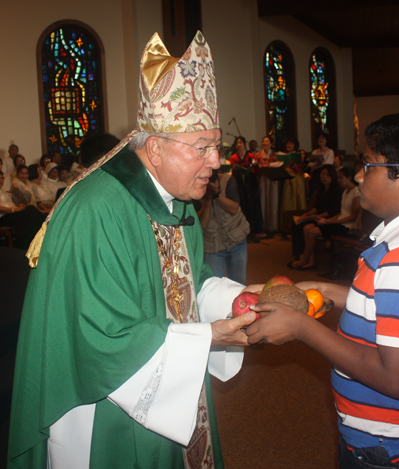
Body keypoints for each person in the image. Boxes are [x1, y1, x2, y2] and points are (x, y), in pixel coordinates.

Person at [8, 31, 260, 469]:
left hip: (173, 386)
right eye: (202, 148)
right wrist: (209, 336)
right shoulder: (95, 210)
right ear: (156, 148)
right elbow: (100, 337)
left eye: (215, 146)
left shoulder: (176, 199)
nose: (216, 161)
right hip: (105, 403)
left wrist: (234, 300)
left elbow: (187, 279)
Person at [247, 112, 399, 468]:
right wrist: (324, 288)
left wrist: (302, 328)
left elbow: (394, 379)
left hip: (392, 444)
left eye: (369, 165)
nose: (360, 175)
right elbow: (390, 303)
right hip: (393, 436)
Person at [289, 166, 360, 270]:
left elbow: (352, 217)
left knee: (312, 232)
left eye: (341, 178)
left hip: (348, 227)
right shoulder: (345, 192)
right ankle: (310, 261)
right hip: (339, 223)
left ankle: (304, 260)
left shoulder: (356, 192)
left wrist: (331, 222)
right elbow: (341, 213)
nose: (338, 180)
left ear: (349, 178)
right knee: (306, 228)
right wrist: (328, 221)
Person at [197, 170, 250, 284]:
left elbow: (234, 209)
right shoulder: (194, 188)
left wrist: (216, 194)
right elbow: (202, 223)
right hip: (212, 246)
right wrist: (208, 198)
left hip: (237, 240)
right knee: (216, 286)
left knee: (239, 284)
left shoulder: (228, 180)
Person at [290, 164, 342, 261]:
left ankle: (304, 255)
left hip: (327, 218)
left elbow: (332, 211)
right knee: (296, 222)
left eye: (328, 175)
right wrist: (308, 214)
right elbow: (317, 206)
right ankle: (299, 253)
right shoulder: (321, 189)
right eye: (323, 174)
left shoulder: (336, 191)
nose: (324, 177)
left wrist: (315, 216)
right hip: (318, 216)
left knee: (303, 226)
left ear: (332, 176)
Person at [0, 170, 47, 249]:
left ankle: (37, 243)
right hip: (3, 218)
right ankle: (23, 243)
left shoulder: (5, 192)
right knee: (31, 210)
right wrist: (15, 210)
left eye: (2, 178)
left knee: (38, 216)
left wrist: (18, 207)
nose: (1, 180)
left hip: (13, 214)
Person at [255, 136, 279, 232]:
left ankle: (273, 226)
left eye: (267, 141)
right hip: (263, 178)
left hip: (273, 179)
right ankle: (263, 226)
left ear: (271, 144)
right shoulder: (258, 155)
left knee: (273, 201)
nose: (265, 143)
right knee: (263, 201)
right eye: (263, 141)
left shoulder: (275, 155)